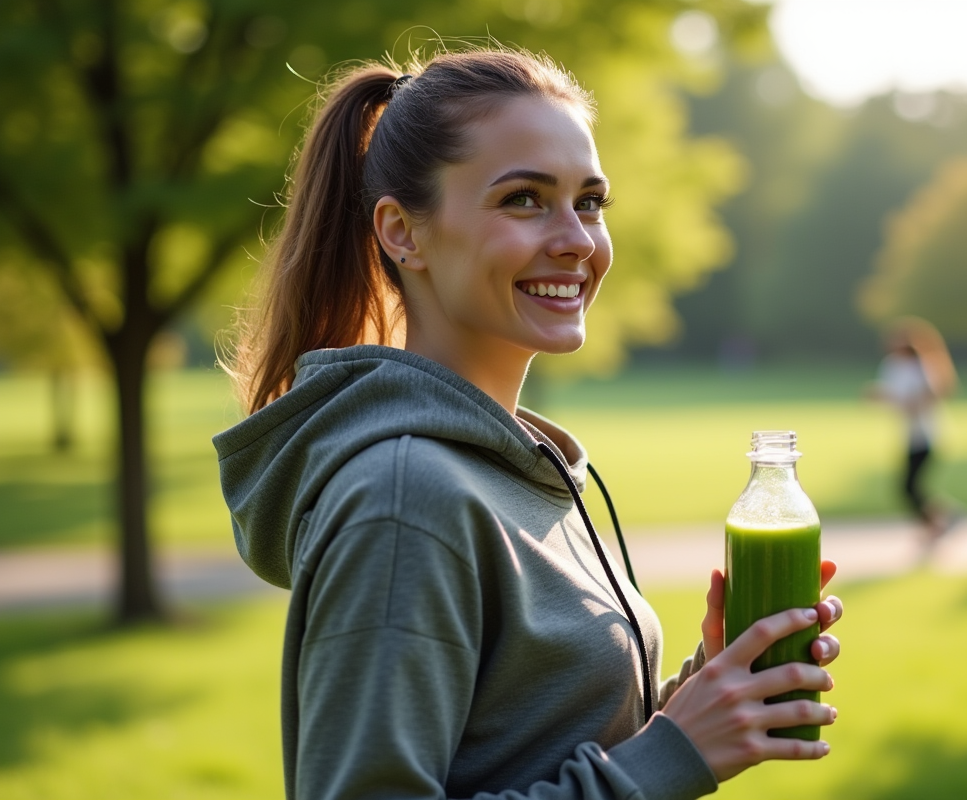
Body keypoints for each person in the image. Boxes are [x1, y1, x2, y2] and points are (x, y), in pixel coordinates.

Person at [213, 48, 843, 800]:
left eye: (591, 201)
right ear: (402, 233)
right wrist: (672, 754)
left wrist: (697, 699)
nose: (577, 237)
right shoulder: (406, 498)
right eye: (523, 200)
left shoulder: (516, 468)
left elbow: (531, 744)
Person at [868, 317, 958, 551]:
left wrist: (899, 400)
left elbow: (929, 397)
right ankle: (940, 521)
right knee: (911, 487)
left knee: (909, 486)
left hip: (926, 434)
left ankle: (941, 520)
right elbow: (893, 395)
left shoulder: (924, 367)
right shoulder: (893, 365)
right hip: (909, 435)